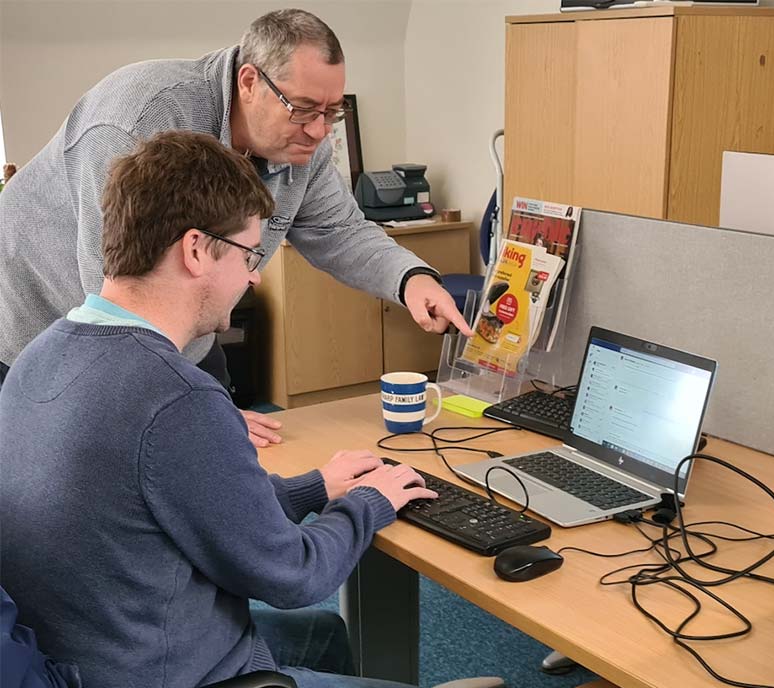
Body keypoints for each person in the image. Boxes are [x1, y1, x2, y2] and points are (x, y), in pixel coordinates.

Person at [0, 130, 461, 688]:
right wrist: (369, 502)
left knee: (324, 637)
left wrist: (314, 487)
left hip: (78, 681)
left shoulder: (41, 354)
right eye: (249, 253)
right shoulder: (174, 396)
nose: (254, 275)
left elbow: (177, 503)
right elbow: (293, 575)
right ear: (195, 249)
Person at [0, 7, 472, 446]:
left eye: (331, 113)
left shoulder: (302, 143)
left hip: (180, 332)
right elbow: (117, 299)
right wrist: (190, 413)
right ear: (249, 81)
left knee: (224, 447)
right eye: (304, 108)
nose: (318, 130)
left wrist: (411, 280)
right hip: (43, 327)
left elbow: (338, 229)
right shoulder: (141, 118)